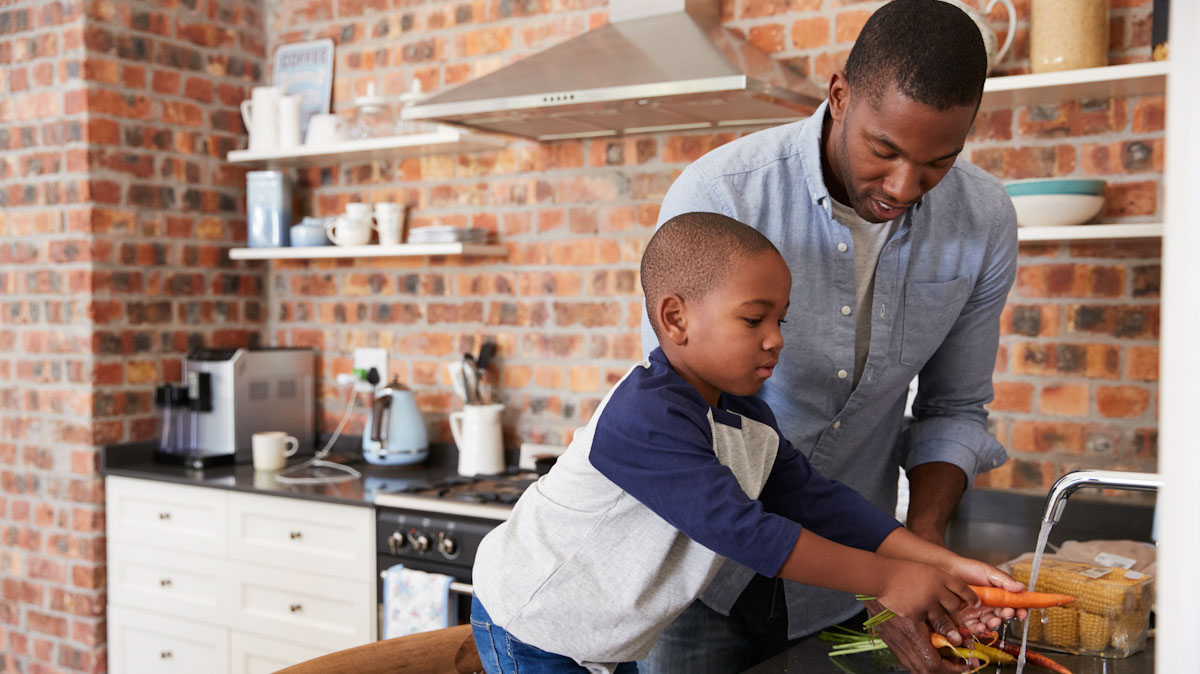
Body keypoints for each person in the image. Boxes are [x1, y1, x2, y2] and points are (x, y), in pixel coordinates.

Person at [639, 1, 1019, 672]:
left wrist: (919, 555)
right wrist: (892, 573)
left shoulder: (983, 219)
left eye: (940, 161)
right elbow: (678, 421)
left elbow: (952, 411)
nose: (905, 186)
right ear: (839, 94)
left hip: (846, 593)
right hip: (696, 579)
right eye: (885, 150)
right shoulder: (723, 196)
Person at [471, 212, 1023, 673]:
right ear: (676, 318)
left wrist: (944, 563)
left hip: (596, 635)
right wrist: (890, 578)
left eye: (780, 319)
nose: (776, 339)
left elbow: (817, 502)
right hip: (534, 624)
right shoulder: (645, 415)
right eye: (754, 319)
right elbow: (745, 532)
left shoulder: (743, 417)